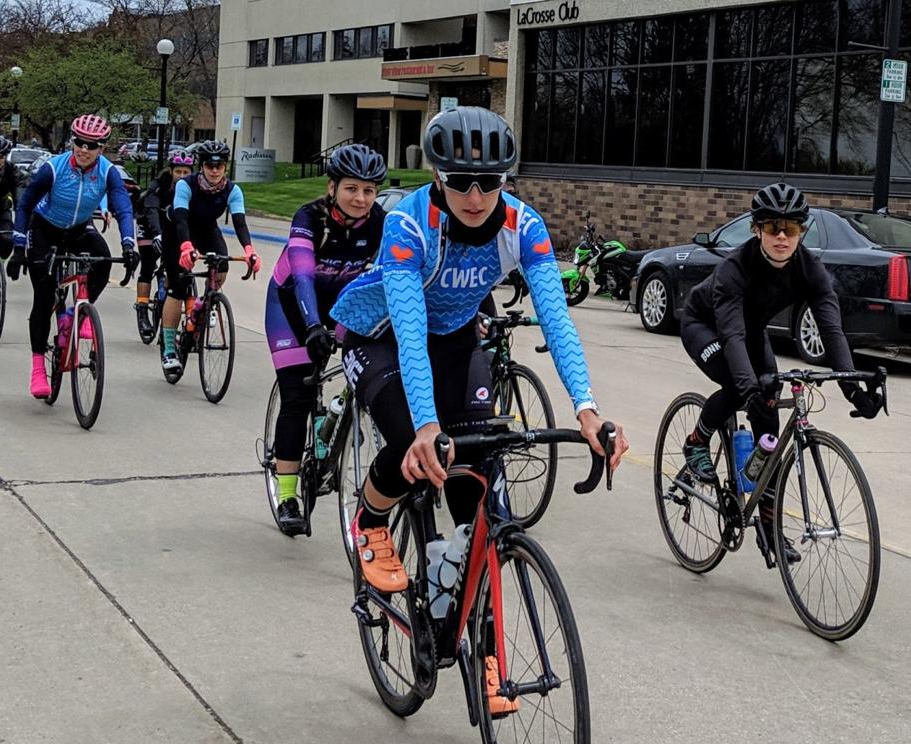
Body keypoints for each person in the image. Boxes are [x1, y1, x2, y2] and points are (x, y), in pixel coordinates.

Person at [331, 106, 628, 621]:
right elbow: (408, 332)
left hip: (452, 339)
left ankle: (464, 587)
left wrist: (587, 409)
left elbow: (557, 322)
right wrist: (426, 425)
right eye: (460, 181)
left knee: (480, 465)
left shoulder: (523, 225)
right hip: (379, 336)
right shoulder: (407, 224)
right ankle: (371, 520)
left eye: (488, 182)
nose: (474, 197)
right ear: (436, 176)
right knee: (411, 443)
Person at [679, 182, 882, 561]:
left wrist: (853, 389)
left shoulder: (810, 268)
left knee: (768, 429)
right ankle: (696, 441)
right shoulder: (733, 270)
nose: (783, 237)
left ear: (802, 231)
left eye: (792, 228)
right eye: (773, 228)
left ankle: (769, 530)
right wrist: (750, 388)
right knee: (741, 387)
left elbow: (832, 329)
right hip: (705, 325)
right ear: (756, 229)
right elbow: (732, 336)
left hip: (751, 333)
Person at [265, 143, 388, 535]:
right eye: (352, 188)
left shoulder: (379, 222)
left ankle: (338, 413)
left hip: (340, 307)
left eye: (369, 190)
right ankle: (287, 494)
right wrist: (314, 327)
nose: (361, 198)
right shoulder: (310, 218)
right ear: (332, 187)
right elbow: (302, 274)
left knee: (375, 375)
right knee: (298, 395)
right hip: (290, 305)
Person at [8, 114, 138, 399]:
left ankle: (76, 312)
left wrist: (129, 244)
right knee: (43, 296)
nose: (83, 149)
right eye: (79, 142)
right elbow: (25, 205)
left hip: (79, 228)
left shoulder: (107, 172)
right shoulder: (53, 169)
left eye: (91, 145)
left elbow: (123, 208)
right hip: (44, 228)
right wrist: (18, 246)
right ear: (71, 141)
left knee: (102, 260)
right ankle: (38, 367)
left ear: (102, 148)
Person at [160, 139, 262, 375]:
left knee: (222, 265)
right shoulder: (186, 185)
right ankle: (169, 350)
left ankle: (202, 304)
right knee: (177, 286)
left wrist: (249, 250)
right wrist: (186, 247)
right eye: (209, 165)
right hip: (177, 231)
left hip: (207, 230)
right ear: (201, 165)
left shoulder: (232, 190)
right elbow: (181, 218)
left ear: (225, 167)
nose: (215, 170)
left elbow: (239, 222)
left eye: (220, 165)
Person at [135, 147, 194, 310]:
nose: (182, 176)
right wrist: (157, 234)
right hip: (149, 223)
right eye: (178, 172)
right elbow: (152, 210)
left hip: (171, 225)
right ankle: (142, 306)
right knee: (148, 264)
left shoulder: (192, 187)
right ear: (171, 171)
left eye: (186, 172)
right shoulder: (160, 184)